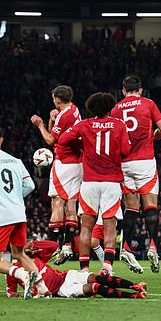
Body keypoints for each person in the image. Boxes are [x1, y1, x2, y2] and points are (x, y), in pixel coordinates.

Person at [58, 92, 131, 275]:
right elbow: (126, 150)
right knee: (109, 226)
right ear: (109, 107)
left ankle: (84, 270)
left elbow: (63, 140)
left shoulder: (84, 125)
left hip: (89, 182)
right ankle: (107, 266)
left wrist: (83, 145)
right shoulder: (119, 125)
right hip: (112, 182)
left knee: (86, 227)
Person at [0, 125, 50, 299]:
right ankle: (44, 289)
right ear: (2, 139)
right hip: (19, 214)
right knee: (20, 254)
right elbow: (30, 185)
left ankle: (23, 275)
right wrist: (15, 197)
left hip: (1, 216)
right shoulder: (16, 161)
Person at [110, 75, 161, 274]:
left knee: (131, 207)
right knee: (150, 204)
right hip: (145, 161)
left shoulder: (116, 109)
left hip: (125, 163)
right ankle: (153, 245)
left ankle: (126, 246)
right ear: (141, 90)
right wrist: (154, 137)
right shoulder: (148, 104)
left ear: (124, 91)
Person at [30, 85, 83, 264]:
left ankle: (53, 245)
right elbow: (57, 133)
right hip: (78, 163)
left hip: (64, 163)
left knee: (57, 202)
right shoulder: (74, 110)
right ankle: (67, 245)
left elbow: (51, 139)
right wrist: (53, 120)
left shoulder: (65, 115)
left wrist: (40, 125)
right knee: (71, 203)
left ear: (57, 100)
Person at [5, 239, 147, 299]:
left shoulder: (34, 255)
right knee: (94, 286)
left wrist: (34, 244)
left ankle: (134, 286)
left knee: (97, 277)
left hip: (64, 276)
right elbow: (11, 292)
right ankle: (133, 296)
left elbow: (54, 246)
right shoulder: (12, 269)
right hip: (59, 290)